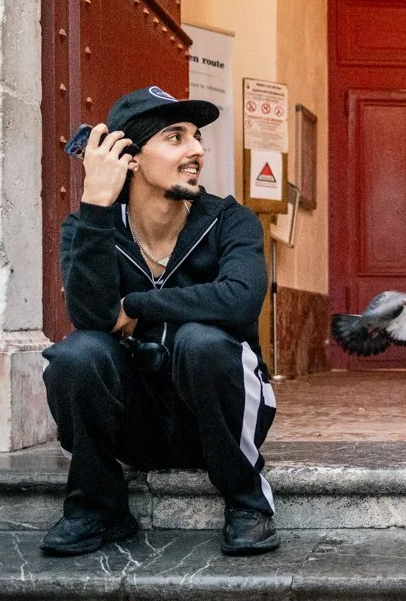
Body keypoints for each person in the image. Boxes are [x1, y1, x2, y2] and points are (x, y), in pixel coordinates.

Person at [40, 86, 278, 558]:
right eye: (175, 137)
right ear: (130, 157)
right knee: (76, 355)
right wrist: (95, 206)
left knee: (202, 341)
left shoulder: (230, 220)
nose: (196, 150)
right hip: (135, 427)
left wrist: (137, 305)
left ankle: (247, 501)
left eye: (196, 137)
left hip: (215, 417)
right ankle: (97, 508)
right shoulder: (87, 229)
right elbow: (91, 318)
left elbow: (239, 302)